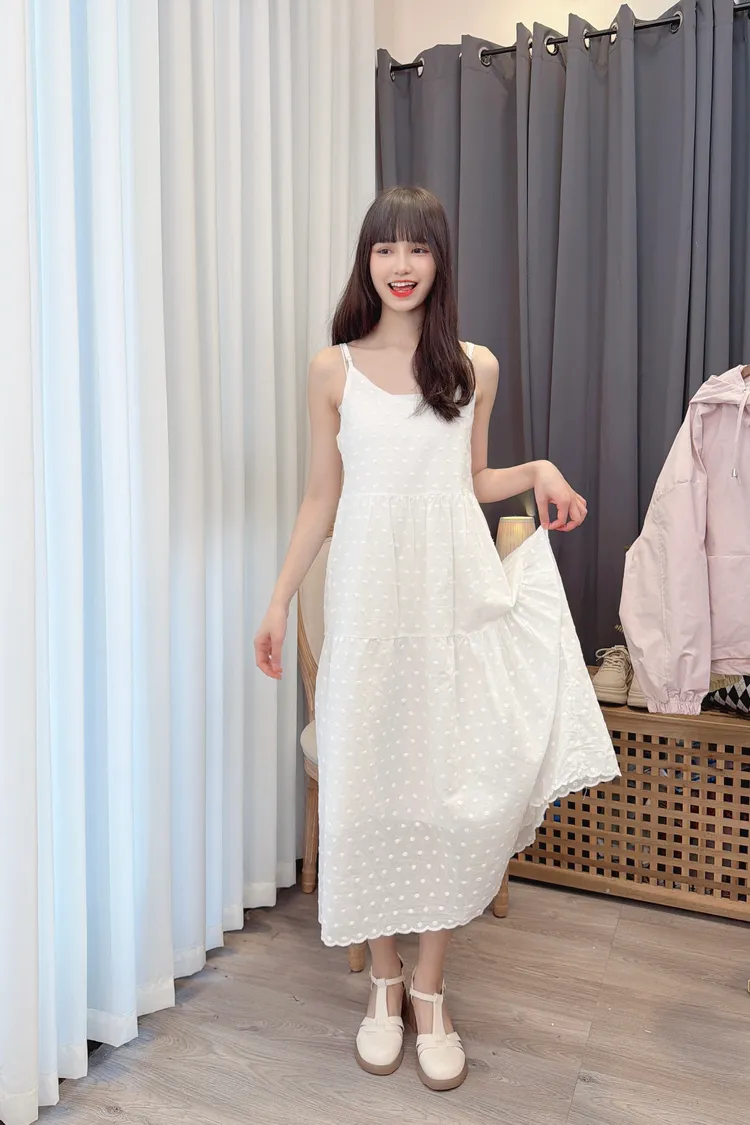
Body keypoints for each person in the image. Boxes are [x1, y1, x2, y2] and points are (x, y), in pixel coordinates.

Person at [254, 186, 619, 1092]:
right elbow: (321, 497)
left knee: (448, 792)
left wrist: (538, 468)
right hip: (369, 611)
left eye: (418, 248)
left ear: (439, 261)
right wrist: (278, 600)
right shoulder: (332, 370)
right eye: (386, 248)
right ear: (367, 260)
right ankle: (382, 981)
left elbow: (471, 479)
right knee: (367, 789)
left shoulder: (474, 366)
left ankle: (429, 987)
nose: (402, 265)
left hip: (451, 606)